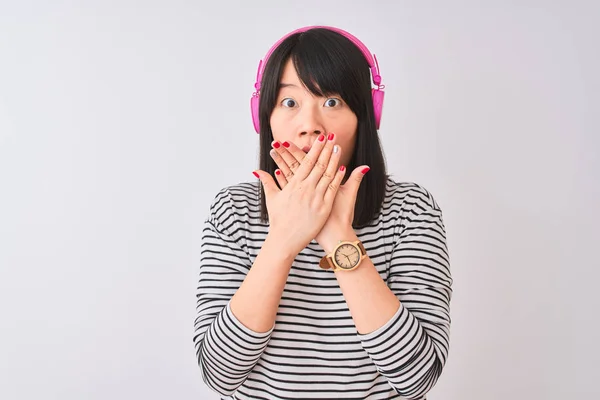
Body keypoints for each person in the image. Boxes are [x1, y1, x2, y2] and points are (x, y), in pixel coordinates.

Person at [193, 25, 453, 400]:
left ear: (365, 114)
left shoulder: (411, 210)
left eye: (332, 102)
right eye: (290, 102)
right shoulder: (233, 211)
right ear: (262, 115)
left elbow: (417, 378)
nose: (309, 126)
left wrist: (336, 235)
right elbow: (220, 374)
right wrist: (282, 240)